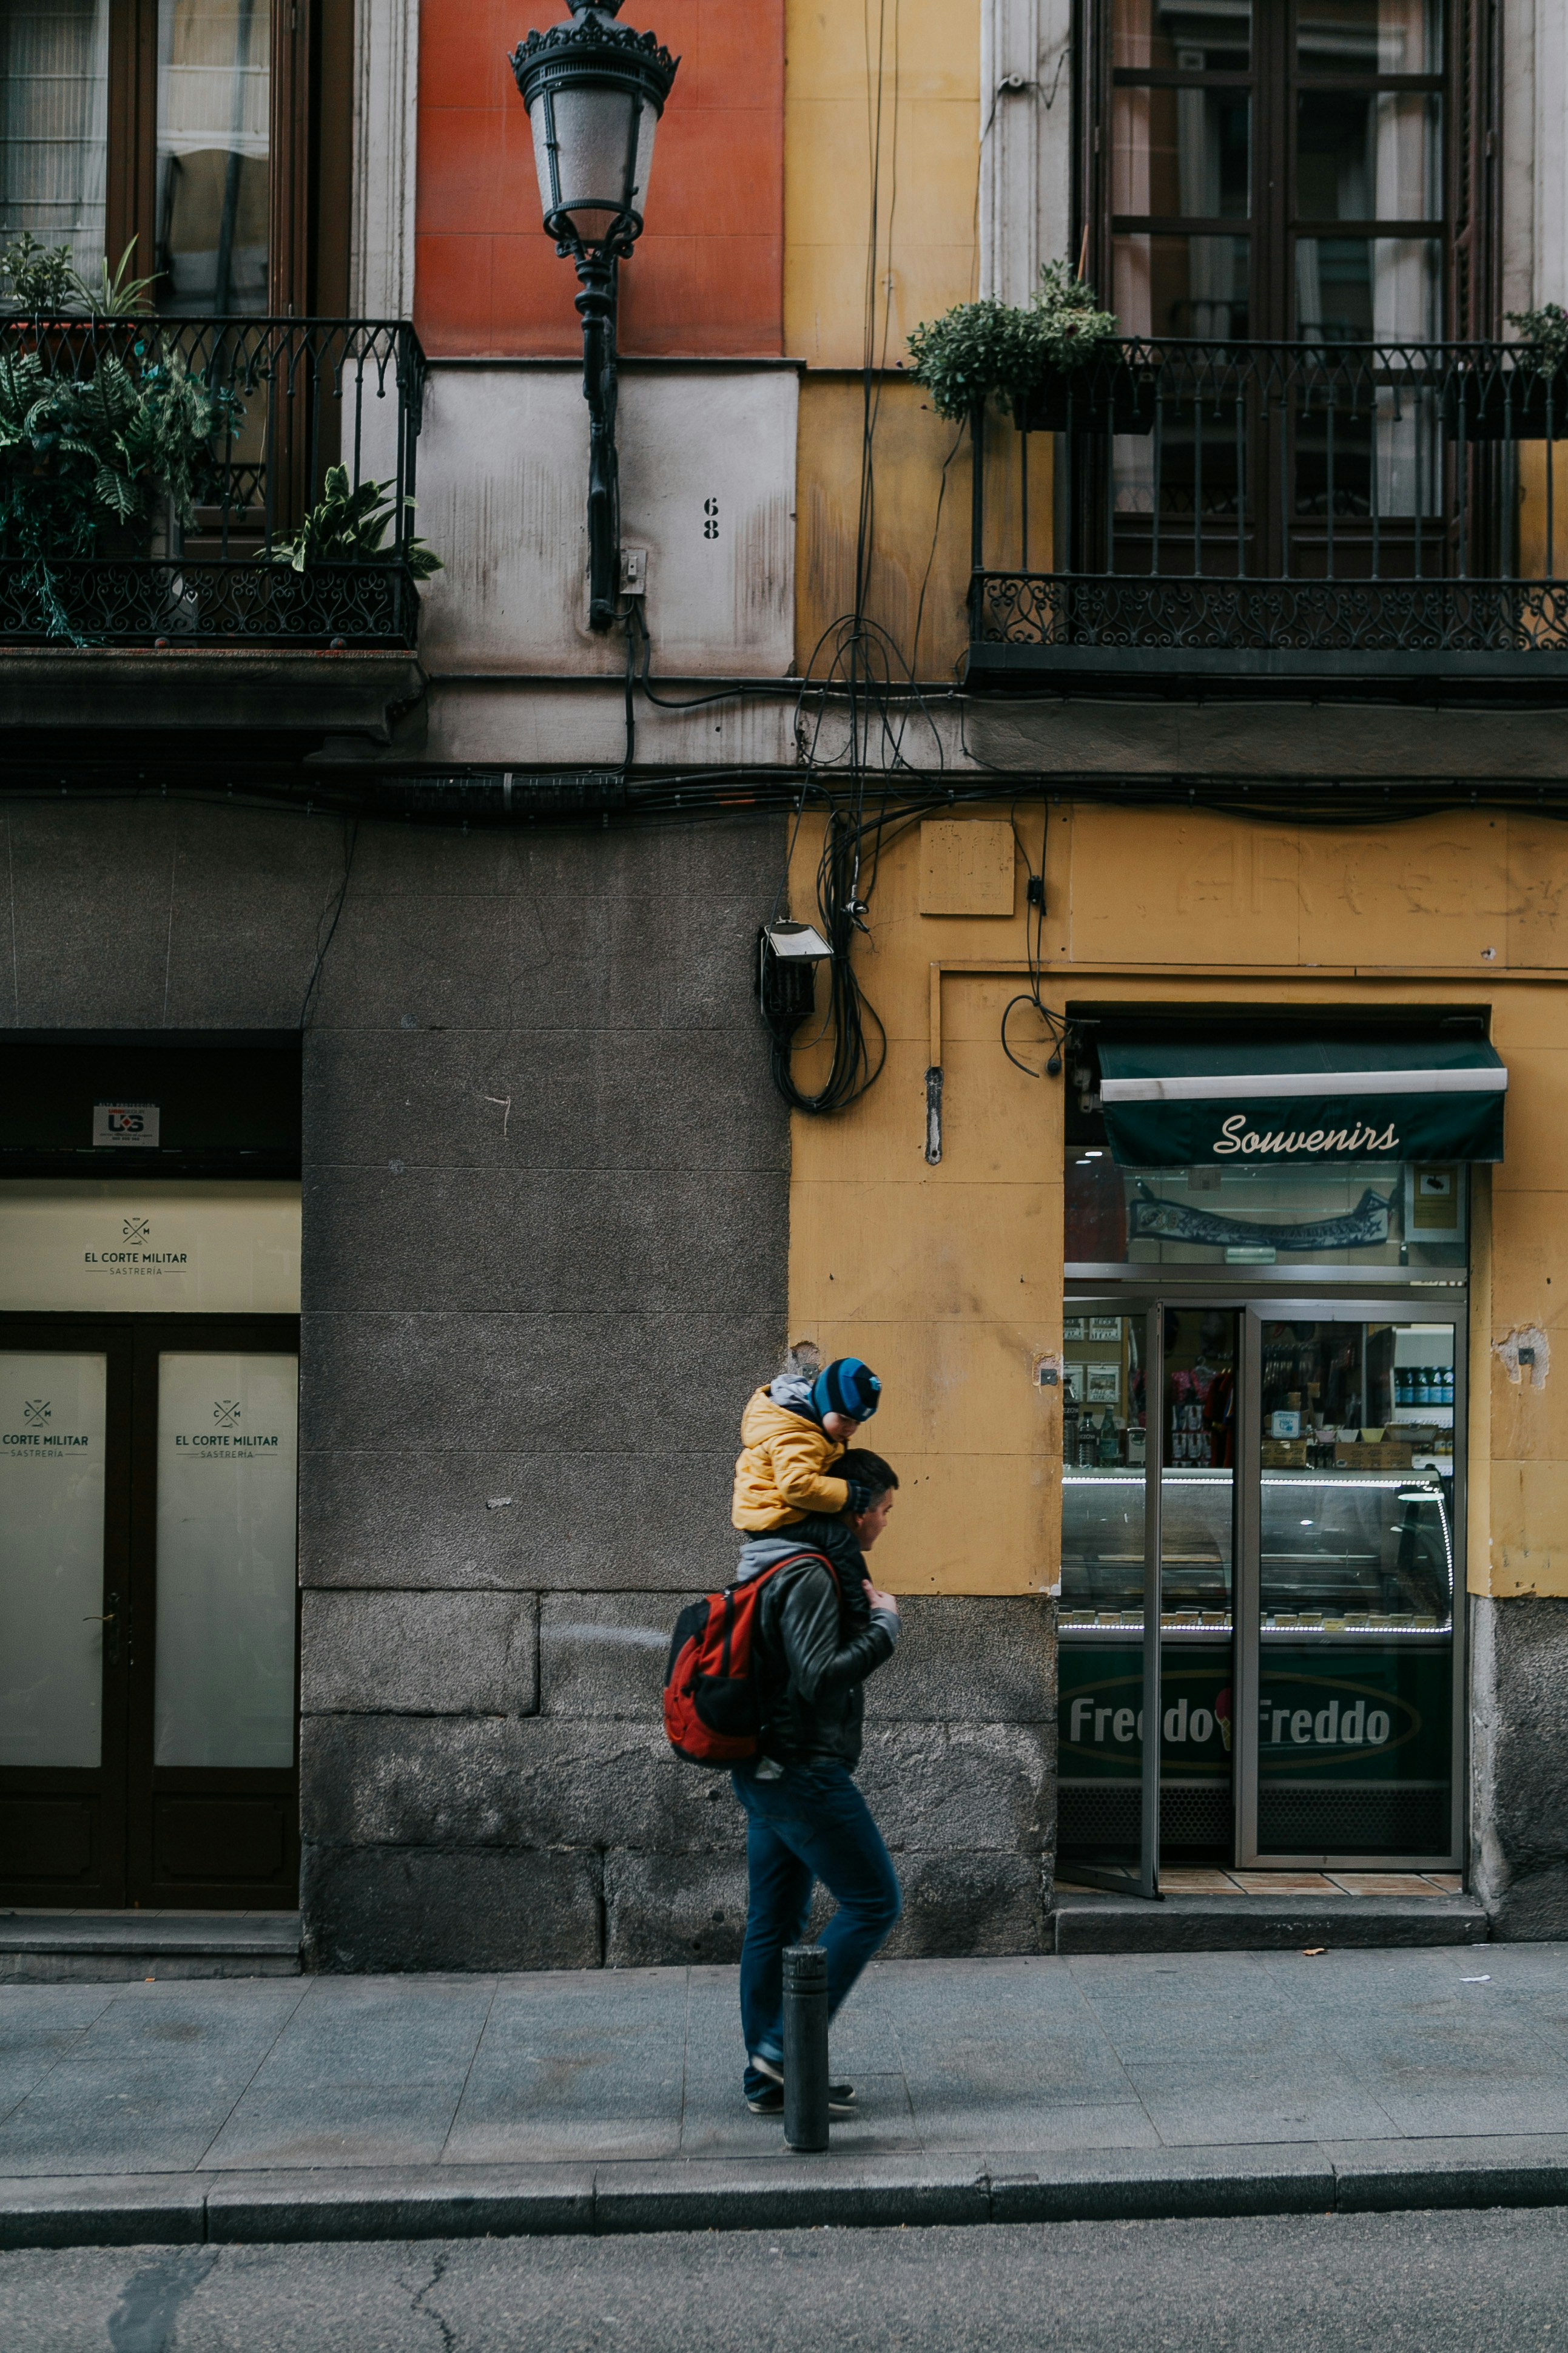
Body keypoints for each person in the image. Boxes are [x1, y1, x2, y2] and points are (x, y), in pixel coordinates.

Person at [730, 1445, 903, 2116]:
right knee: (873, 1901)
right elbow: (818, 1674)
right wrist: (885, 1628)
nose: (887, 1521)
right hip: (799, 1769)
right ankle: (780, 2051)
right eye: (884, 1508)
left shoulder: (783, 1555)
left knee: (774, 1921)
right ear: (854, 1509)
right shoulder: (808, 1571)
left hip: (769, 1767)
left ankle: (771, 2074)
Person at [732, 1352, 883, 1533]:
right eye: (844, 1419)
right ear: (825, 1402)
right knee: (838, 1540)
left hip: (783, 1507)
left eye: (857, 1422)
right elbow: (797, 1486)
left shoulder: (814, 1425)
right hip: (773, 1514)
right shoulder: (798, 1436)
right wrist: (847, 1494)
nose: (850, 1428)